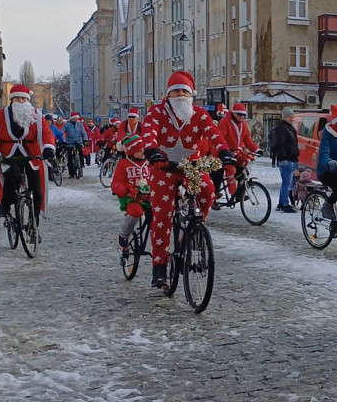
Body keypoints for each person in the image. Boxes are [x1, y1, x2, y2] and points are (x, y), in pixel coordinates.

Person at [143, 71, 234, 289]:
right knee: (162, 216)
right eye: (175, 91)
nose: (180, 95)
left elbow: (214, 134)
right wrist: (152, 150)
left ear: (191, 94)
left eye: (184, 91)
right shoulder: (157, 112)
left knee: (208, 190)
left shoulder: (199, 114)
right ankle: (160, 267)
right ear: (168, 94)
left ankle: (194, 229)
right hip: (162, 168)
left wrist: (224, 151)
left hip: (192, 167)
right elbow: (149, 132)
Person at [0, 84, 56, 222]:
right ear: (12, 100)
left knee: (37, 191)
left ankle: (34, 223)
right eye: (17, 99)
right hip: (9, 156)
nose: (21, 101)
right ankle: (6, 204)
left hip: (31, 156)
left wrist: (48, 148)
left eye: (23, 99)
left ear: (28, 100)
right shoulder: (0, 116)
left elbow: (47, 133)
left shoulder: (36, 116)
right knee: (12, 176)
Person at [212, 102, 260, 206]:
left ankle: (239, 194)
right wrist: (224, 152)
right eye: (239, 114)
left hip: (235, 153)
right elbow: (220, 139)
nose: (241, 117)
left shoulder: (243, 124)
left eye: (243, 115)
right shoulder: (224, 122)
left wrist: (256, 149)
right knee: (217, 175)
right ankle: (213, 198)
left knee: (242, 172)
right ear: (233, 113)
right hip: (221, 153)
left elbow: (247, 139)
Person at [111, 134, 151, 257]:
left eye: (142, 149)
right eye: (138, 151)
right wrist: (120, 189)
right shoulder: (123, 164)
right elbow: (116, 181)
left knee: (157, 215)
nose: (142, 152)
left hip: (149, 195)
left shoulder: (149, 162)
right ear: (130, 152)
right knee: (135, 212)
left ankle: (159, 242)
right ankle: (124, 235)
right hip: (131, 196)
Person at [270, 106, 299, 212]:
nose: (292, 118)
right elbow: (280, 144)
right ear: (284, 117)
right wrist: (283, 158)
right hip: (286, 159)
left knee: (286, 182)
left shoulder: (289, 127)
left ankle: (281, 203)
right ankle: (284, 204)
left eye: (293, 116)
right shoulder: (282, 128)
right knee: (286, 182)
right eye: (289, 117)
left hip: (290, 158)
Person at [62, 112, 89, 178]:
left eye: (77, 118)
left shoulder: (80, 124)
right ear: (71, 118)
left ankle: (81, 165)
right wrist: (63, 141)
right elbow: (61, 132)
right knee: (70, 157)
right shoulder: (66, 124)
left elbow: (84, 133)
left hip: (78, 142)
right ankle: (71, 173)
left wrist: (85, 140)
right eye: (74, 118)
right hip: (69, 143)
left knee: (80, 153)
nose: (76, 119)